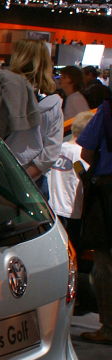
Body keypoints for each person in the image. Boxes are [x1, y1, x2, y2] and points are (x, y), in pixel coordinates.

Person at [0, 40, 63, 199]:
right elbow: (51, 152)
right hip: (34, 183)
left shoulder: (2, 92)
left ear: (18, 58)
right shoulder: (54, 103)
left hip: (2, 176)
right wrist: (24, 177)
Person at [76, 102, 112, 343]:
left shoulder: (107, 110)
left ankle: (109, 328)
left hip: (107, 192)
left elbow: (86, 152)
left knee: (104, 262)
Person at [49, 111, 93, 251]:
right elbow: (83, 176)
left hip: (52, 207)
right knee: (72, 248)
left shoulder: (59, 149)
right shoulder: (79, 154)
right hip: (71, 209)